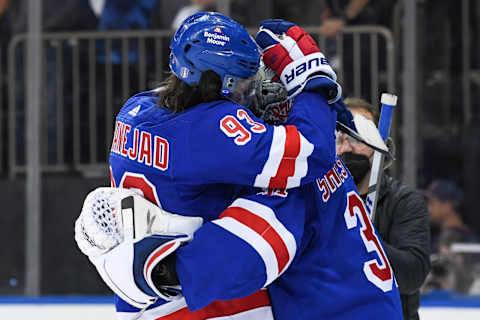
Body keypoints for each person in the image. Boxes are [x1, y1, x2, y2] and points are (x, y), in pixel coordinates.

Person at [75, 13, 403, 319]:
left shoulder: (136, 110)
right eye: (247, 85)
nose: (253, 96)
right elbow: (309, 153)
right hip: (205, 302)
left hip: (154, 297)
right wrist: (312, 79)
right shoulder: (252, 154)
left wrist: (161, 272)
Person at [336, 97, 430, 320]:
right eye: (339, 138)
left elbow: (412, 275)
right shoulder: (314, 202)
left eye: (358, 137)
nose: (347, 147)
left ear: (380, 147)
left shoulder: (404, 202)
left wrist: (361, 239)